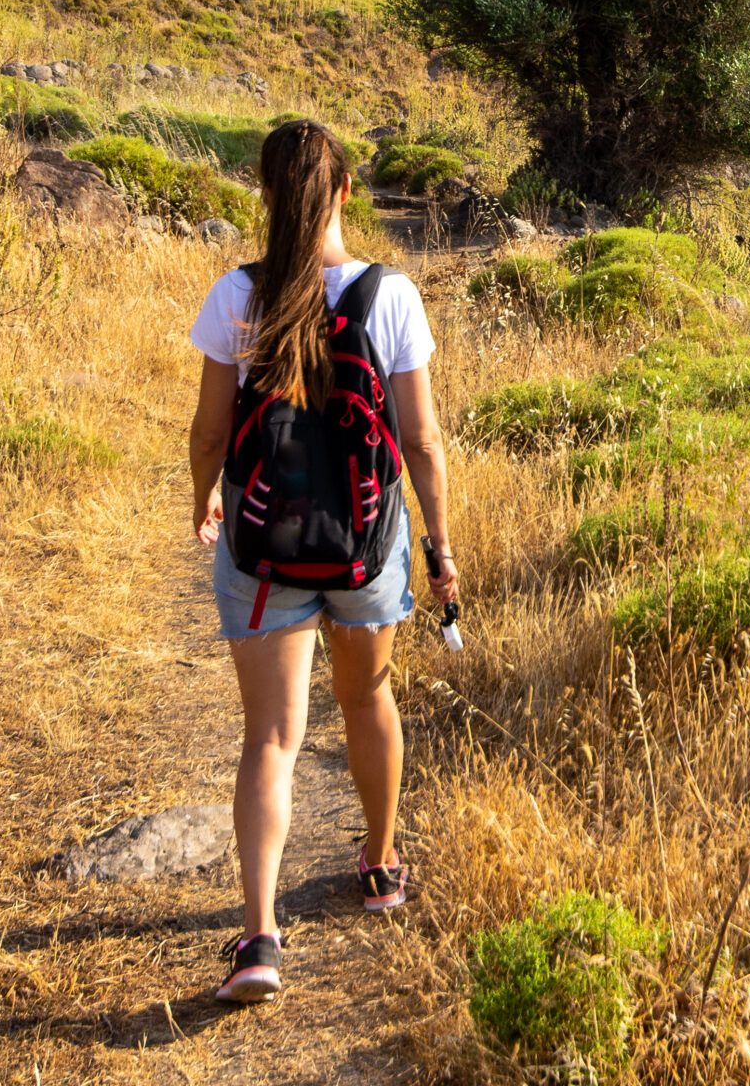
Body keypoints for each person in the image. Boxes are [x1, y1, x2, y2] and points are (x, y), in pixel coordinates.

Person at [185, 119, 459, 1004]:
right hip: (366, 551)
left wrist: (206, 500)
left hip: (261, 552)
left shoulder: (237, 295)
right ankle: (380, 867)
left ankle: (259, 938)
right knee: (367, 696)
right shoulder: (391, 297)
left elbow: (209, 432)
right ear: (345, 192)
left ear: (264, 194)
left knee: (269, 737)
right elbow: (419, 441)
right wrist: (440, 547)